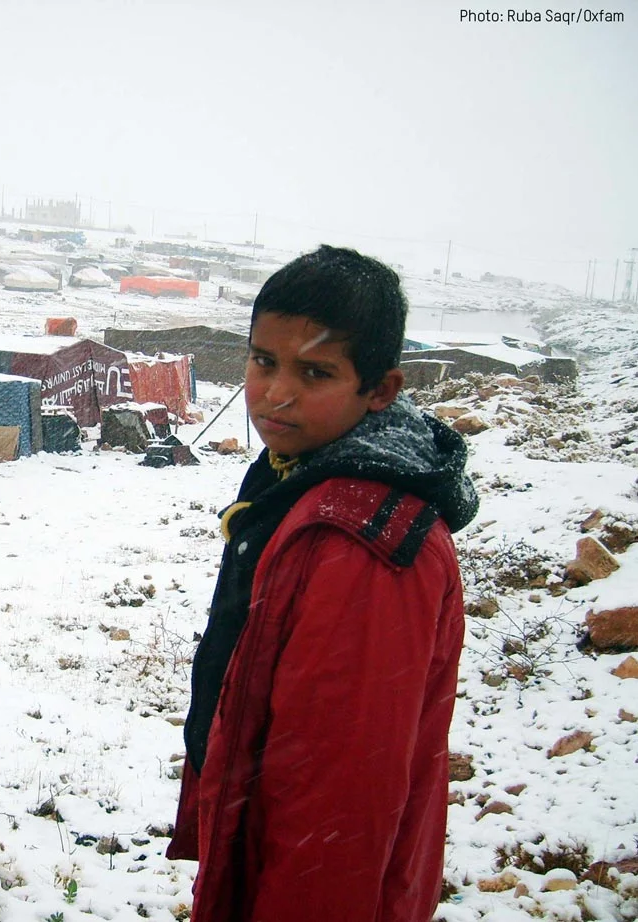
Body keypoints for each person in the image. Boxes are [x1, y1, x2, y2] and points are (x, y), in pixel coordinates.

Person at [167, 245, 479, 922]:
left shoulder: (362, 545)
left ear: (381, 390)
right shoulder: (298, 472)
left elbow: (337, 799)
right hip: (264, 849)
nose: (274, 392)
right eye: (262, 360)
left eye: (314, 371)